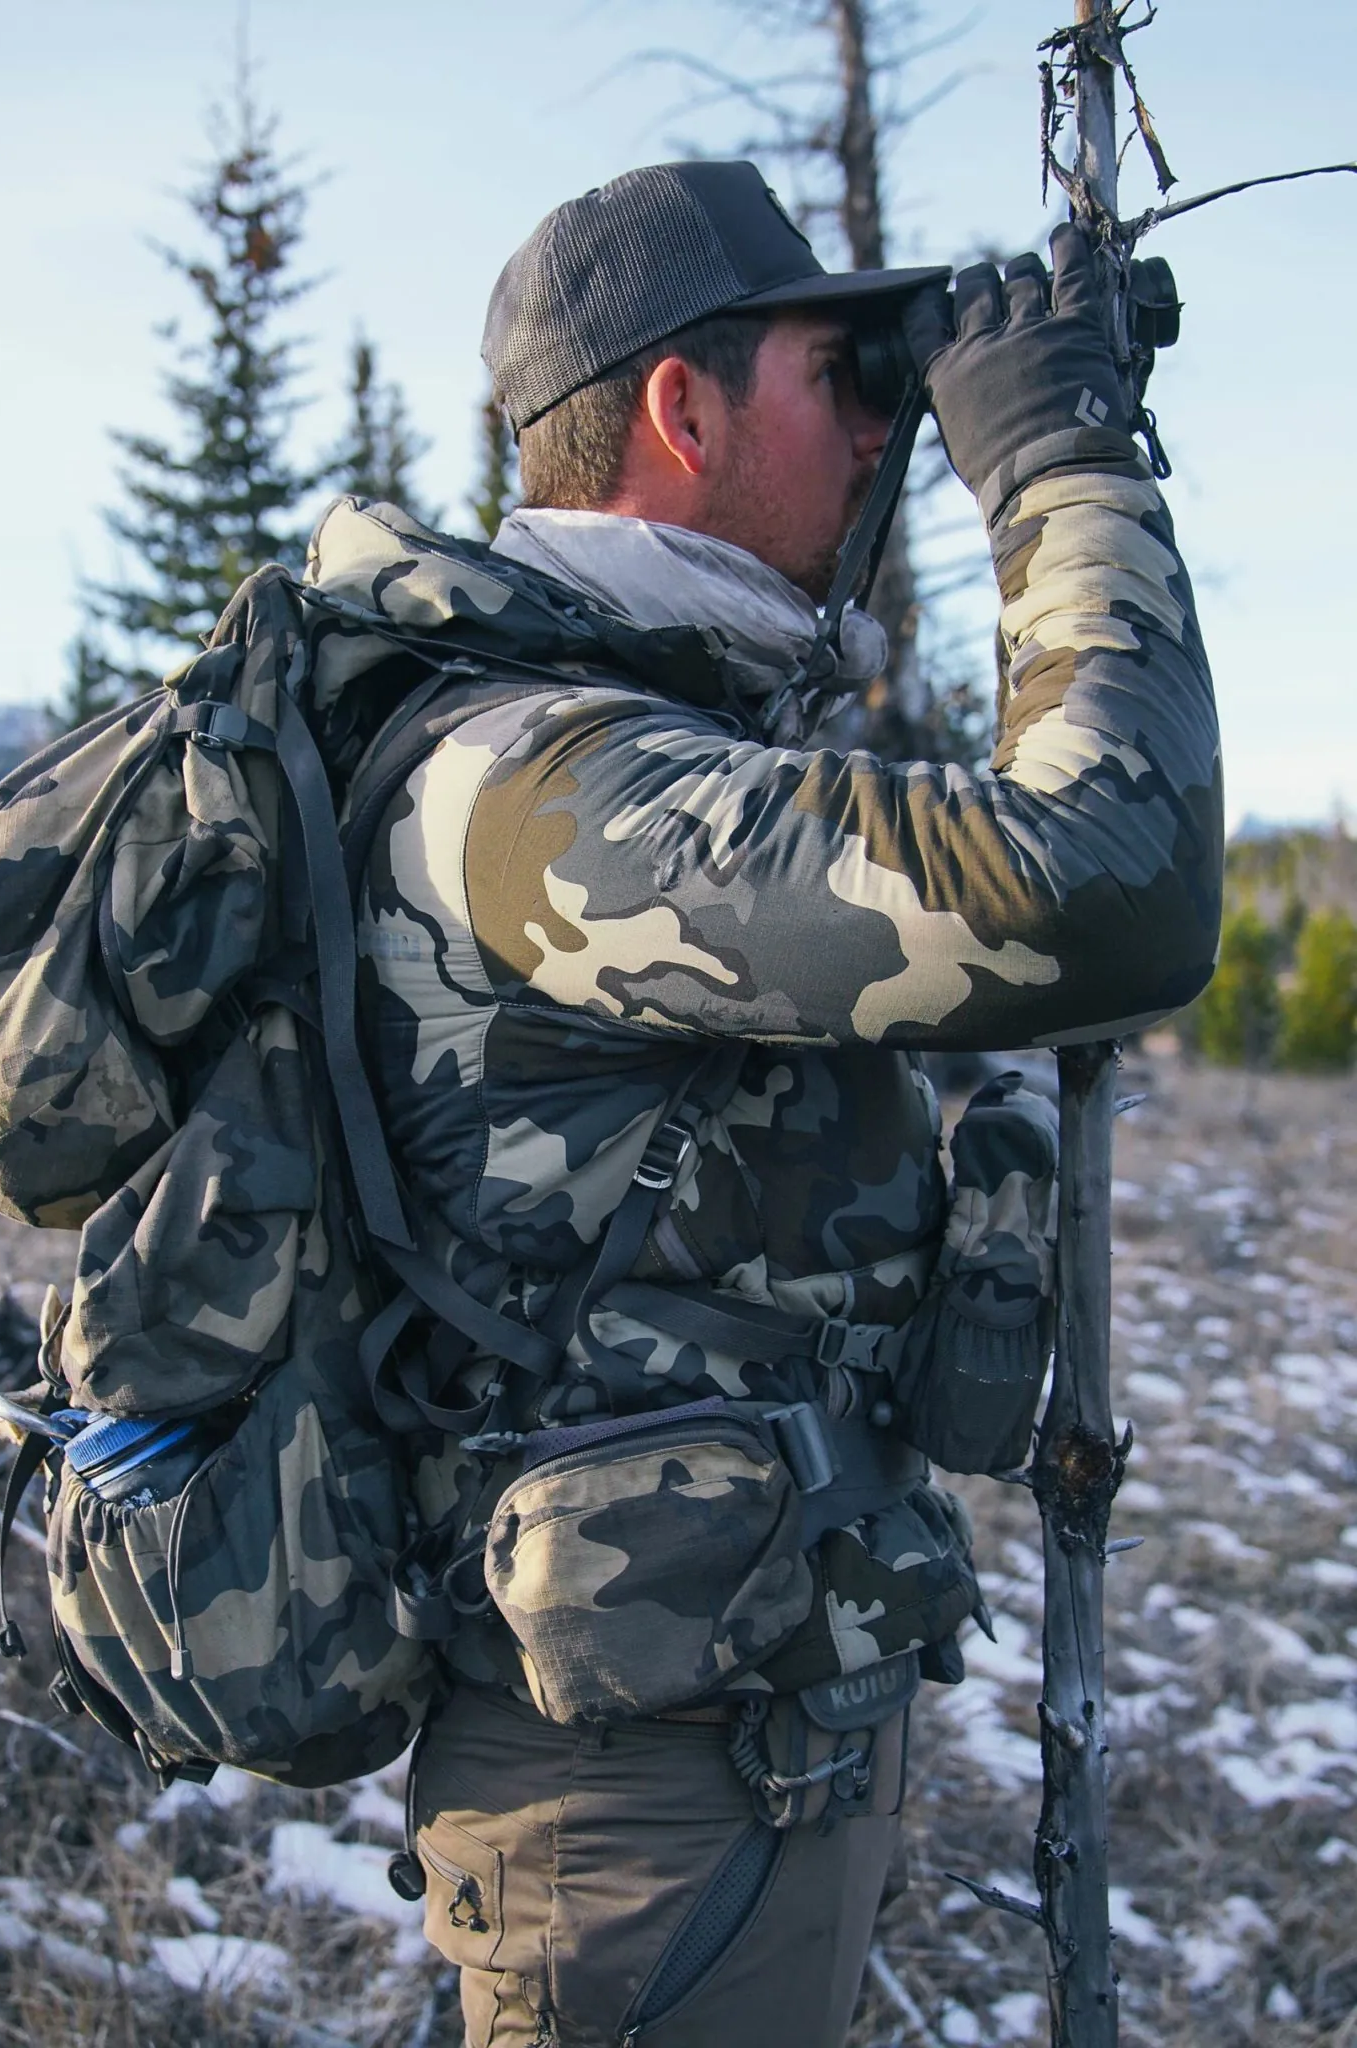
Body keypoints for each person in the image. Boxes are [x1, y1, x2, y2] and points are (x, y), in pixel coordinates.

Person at [353, 160, 1220, 2047]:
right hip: (639, 1809)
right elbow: (1107, 883)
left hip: (728, 1732)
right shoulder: (541, 780)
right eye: (849, 376)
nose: (885, 426)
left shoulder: (660, 736)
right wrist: (1057, 465)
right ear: (683, 406)